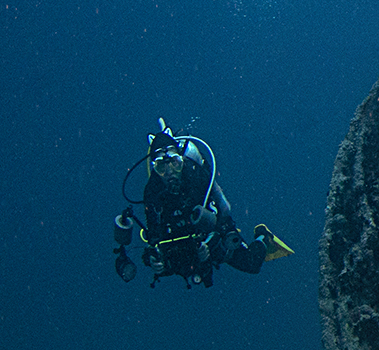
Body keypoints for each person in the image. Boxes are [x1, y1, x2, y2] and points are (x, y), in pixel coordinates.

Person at [112, 120, 291, 288]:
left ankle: (263, 236)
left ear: (181, 160)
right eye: (161, 167)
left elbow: (222, 214)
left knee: (251, 264)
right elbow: (154, 236)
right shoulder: (152, 192)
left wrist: (210, 242)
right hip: (180, 244)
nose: (170, 172)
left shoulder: (195, 175)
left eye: (174, 163)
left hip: (208, 233)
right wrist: (155, 260)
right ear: (155, 169)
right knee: (172, 268)